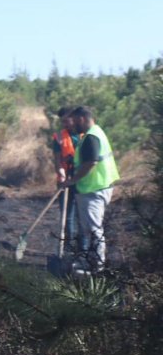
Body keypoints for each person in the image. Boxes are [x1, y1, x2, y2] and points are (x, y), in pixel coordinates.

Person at [60, 105, 120, 272]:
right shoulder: (96, 132)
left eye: (74, 121)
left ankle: (96, 267)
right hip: (97, 187)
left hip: (93, 189)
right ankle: (87, 261)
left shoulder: (91, 137)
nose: (72, 125)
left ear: (81, 119)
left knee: (93, 229)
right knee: (88, 227)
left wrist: (73, 180)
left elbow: (91, 162)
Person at [50, 106, 81, 253]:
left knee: (82, 216)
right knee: (67, 216)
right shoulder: (59, 137)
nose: (65, 124)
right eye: (62, 121)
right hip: (65, 181)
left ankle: (84, 249)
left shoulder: (85, 134)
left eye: (67, 120)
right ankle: (68, 248)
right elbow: (57, 160)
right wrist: (61, 173)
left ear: (74, 118)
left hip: (82, 181)